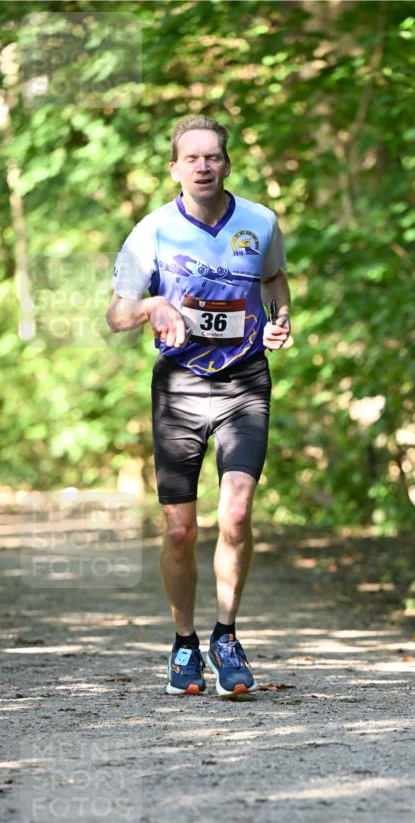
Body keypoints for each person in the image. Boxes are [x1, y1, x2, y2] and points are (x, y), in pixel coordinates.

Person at [106, 115, 291, 699]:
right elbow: (115, 314)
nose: (204, 166)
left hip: (244, 385)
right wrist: (151, 306)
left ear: (227, 164)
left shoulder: (260, 222)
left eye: (213, 157)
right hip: (180, 390)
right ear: (175, 169)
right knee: (181, 531)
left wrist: (281, 318)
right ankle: (184, 642)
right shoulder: (153, 231)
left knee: (235, 513)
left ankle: (226, 637)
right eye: (192, 159)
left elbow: (275, 280)